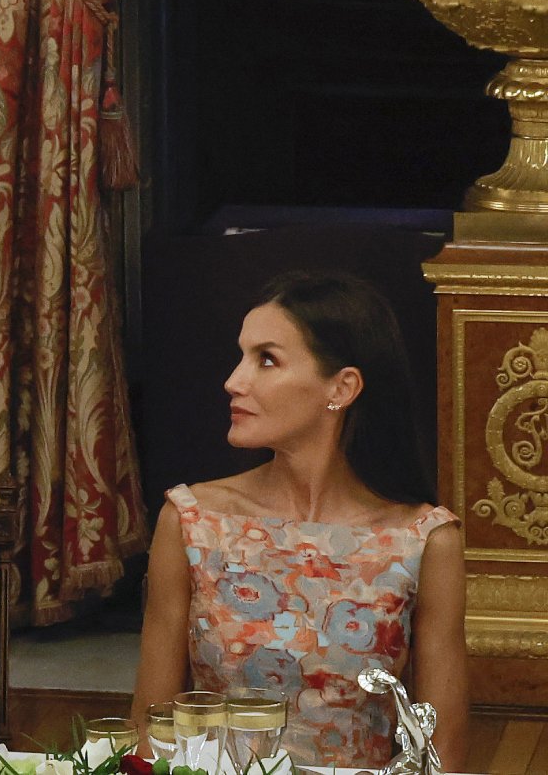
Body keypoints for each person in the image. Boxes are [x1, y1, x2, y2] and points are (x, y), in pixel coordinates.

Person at [130, 271, 467, 770]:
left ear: (342, 387)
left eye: (266, 360)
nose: (233, 380)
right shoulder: (192, 521)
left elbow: (442, 754)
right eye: (242, 356)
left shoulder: (422, 540)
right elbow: (149, 731)